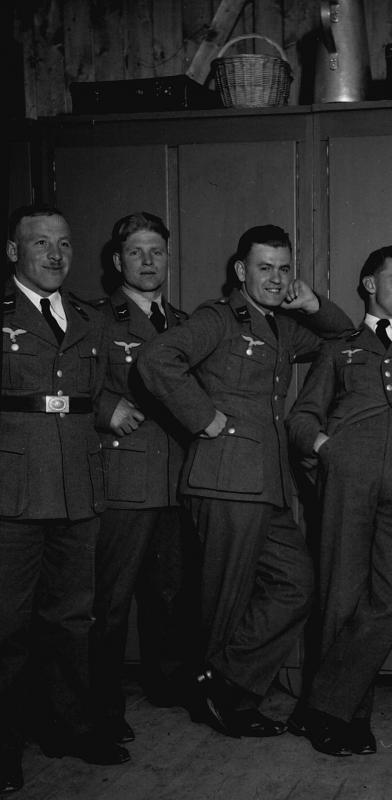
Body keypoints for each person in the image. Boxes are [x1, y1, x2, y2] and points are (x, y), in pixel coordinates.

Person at [135, 224, 353, 739]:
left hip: (265, 483)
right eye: (264, 268)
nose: (276, 278)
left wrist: (312, 302)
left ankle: (222, 680)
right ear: (240, 271)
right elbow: (155, 358)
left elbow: (343, 338)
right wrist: (201, 416)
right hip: (225, 478)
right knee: (225, 600)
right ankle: (226, 702)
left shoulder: (281, 326)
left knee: (296, 584)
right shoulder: (218, 319)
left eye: (284, 269)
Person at [285, 245, 392, 756]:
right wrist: (326, 450)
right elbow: (302, 416)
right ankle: (350, 718)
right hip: (349, 474)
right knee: (341, 595)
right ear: (369, 284)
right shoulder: (339, 348)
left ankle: (321, 705)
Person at [0, 205, 130, 795]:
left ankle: (69, 728)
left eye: (64, 244)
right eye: (40, 243)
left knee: (73, 620)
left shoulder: (87, 318)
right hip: (13, 493)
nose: (55, 255)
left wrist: (110, 410)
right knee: (7, 626)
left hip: (78, 488)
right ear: (14, 252)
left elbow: (89, 393)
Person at [90, 212, 196, 747]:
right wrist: (104, 408)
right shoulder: (96, 319)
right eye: (136, 252)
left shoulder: (184, 323)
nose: (148, 261)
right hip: (125, 477)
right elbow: (69, 380)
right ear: (118, 261)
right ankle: (101, 705)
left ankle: (167, 682)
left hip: (177, 476)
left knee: (171, 592)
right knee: (110, 601)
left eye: (156, 251)